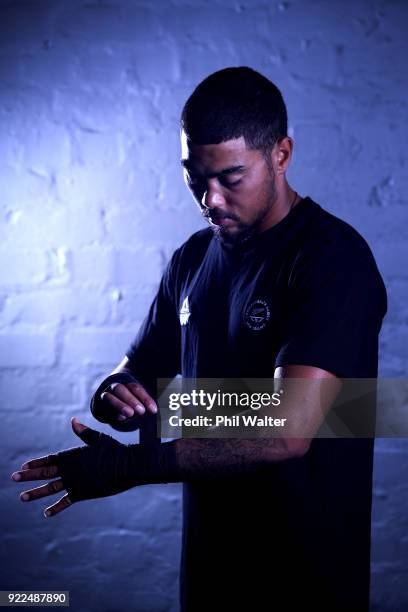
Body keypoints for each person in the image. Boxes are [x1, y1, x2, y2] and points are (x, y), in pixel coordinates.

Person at [11, 67, 387, 612]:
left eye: (230, 178)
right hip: (212, 569)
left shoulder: (331, 259)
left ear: (280, 154)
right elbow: (138, 369)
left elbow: (288, 433)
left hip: (304, 578)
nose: (209, 199)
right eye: (195, 177)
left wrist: (130, 467)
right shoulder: (192, 258)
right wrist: (115, 393)